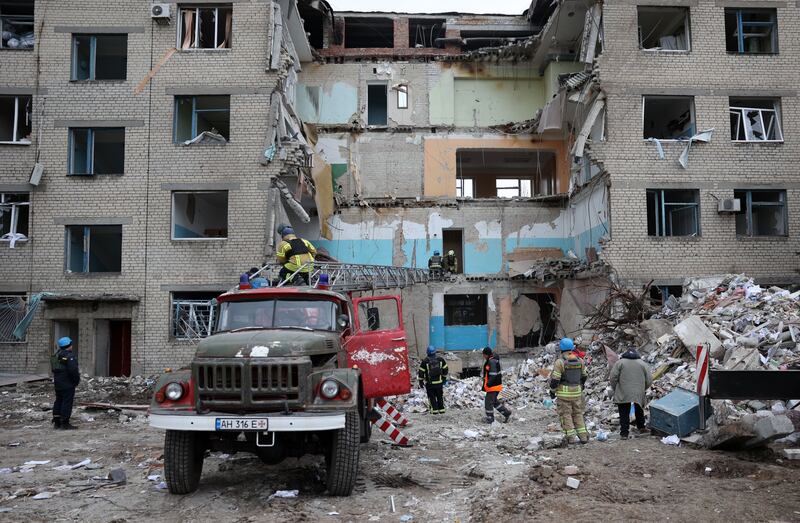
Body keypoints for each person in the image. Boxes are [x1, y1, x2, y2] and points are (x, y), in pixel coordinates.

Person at [549, 338, 589, 444]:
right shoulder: (580, 361)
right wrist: (580, 386)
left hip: (564, 394)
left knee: (566, 414)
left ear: (561, 348)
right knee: (578, 413)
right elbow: (584, 376)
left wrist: (552, 391)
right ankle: (583, 436)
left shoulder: (560, 362)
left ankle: (570, 437)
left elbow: (555, 380)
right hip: (577, 393)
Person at [609, 347, 653, 439]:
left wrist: (616, 388)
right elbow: (649, 379)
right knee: (639, 408)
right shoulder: (642, 363)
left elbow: (613, 377)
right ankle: (641, 427)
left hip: (623, 390)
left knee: (624, 411)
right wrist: (643, 388)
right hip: (638, 390)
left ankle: (624, 433)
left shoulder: (620, 363)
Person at [51, 337, 80, 430]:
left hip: (58, 383)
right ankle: (65, 423)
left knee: (58, 400)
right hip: (67, 383)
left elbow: (53, 369)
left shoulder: (56, 355)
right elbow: (73, 370)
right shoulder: (69, 357)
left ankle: (57, 422)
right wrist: (76, 380)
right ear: (69, 345)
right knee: (67, 402)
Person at [481, 347, 512, 423]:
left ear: (486, 354)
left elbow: (493, 374)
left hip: (493, 386)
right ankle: (506, 413)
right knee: (494, 402)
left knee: (488, 402)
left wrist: (489, 383)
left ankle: (490, 418)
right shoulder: (492, 360)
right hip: (495, 386)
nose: (483, 356)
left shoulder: (491, 361)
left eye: (484, 355)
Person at [418, 346, 448, 414]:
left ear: (427, 352)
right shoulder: (440, 359)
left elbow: (421, 372)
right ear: (435, 352)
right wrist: (444, 378)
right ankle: (442, 410)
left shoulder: (425, 361)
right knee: (440, 396)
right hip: (439, 383)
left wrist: (421, 382)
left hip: (430, 384)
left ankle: (434, 410)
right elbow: (445, 369)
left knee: (432, 397)